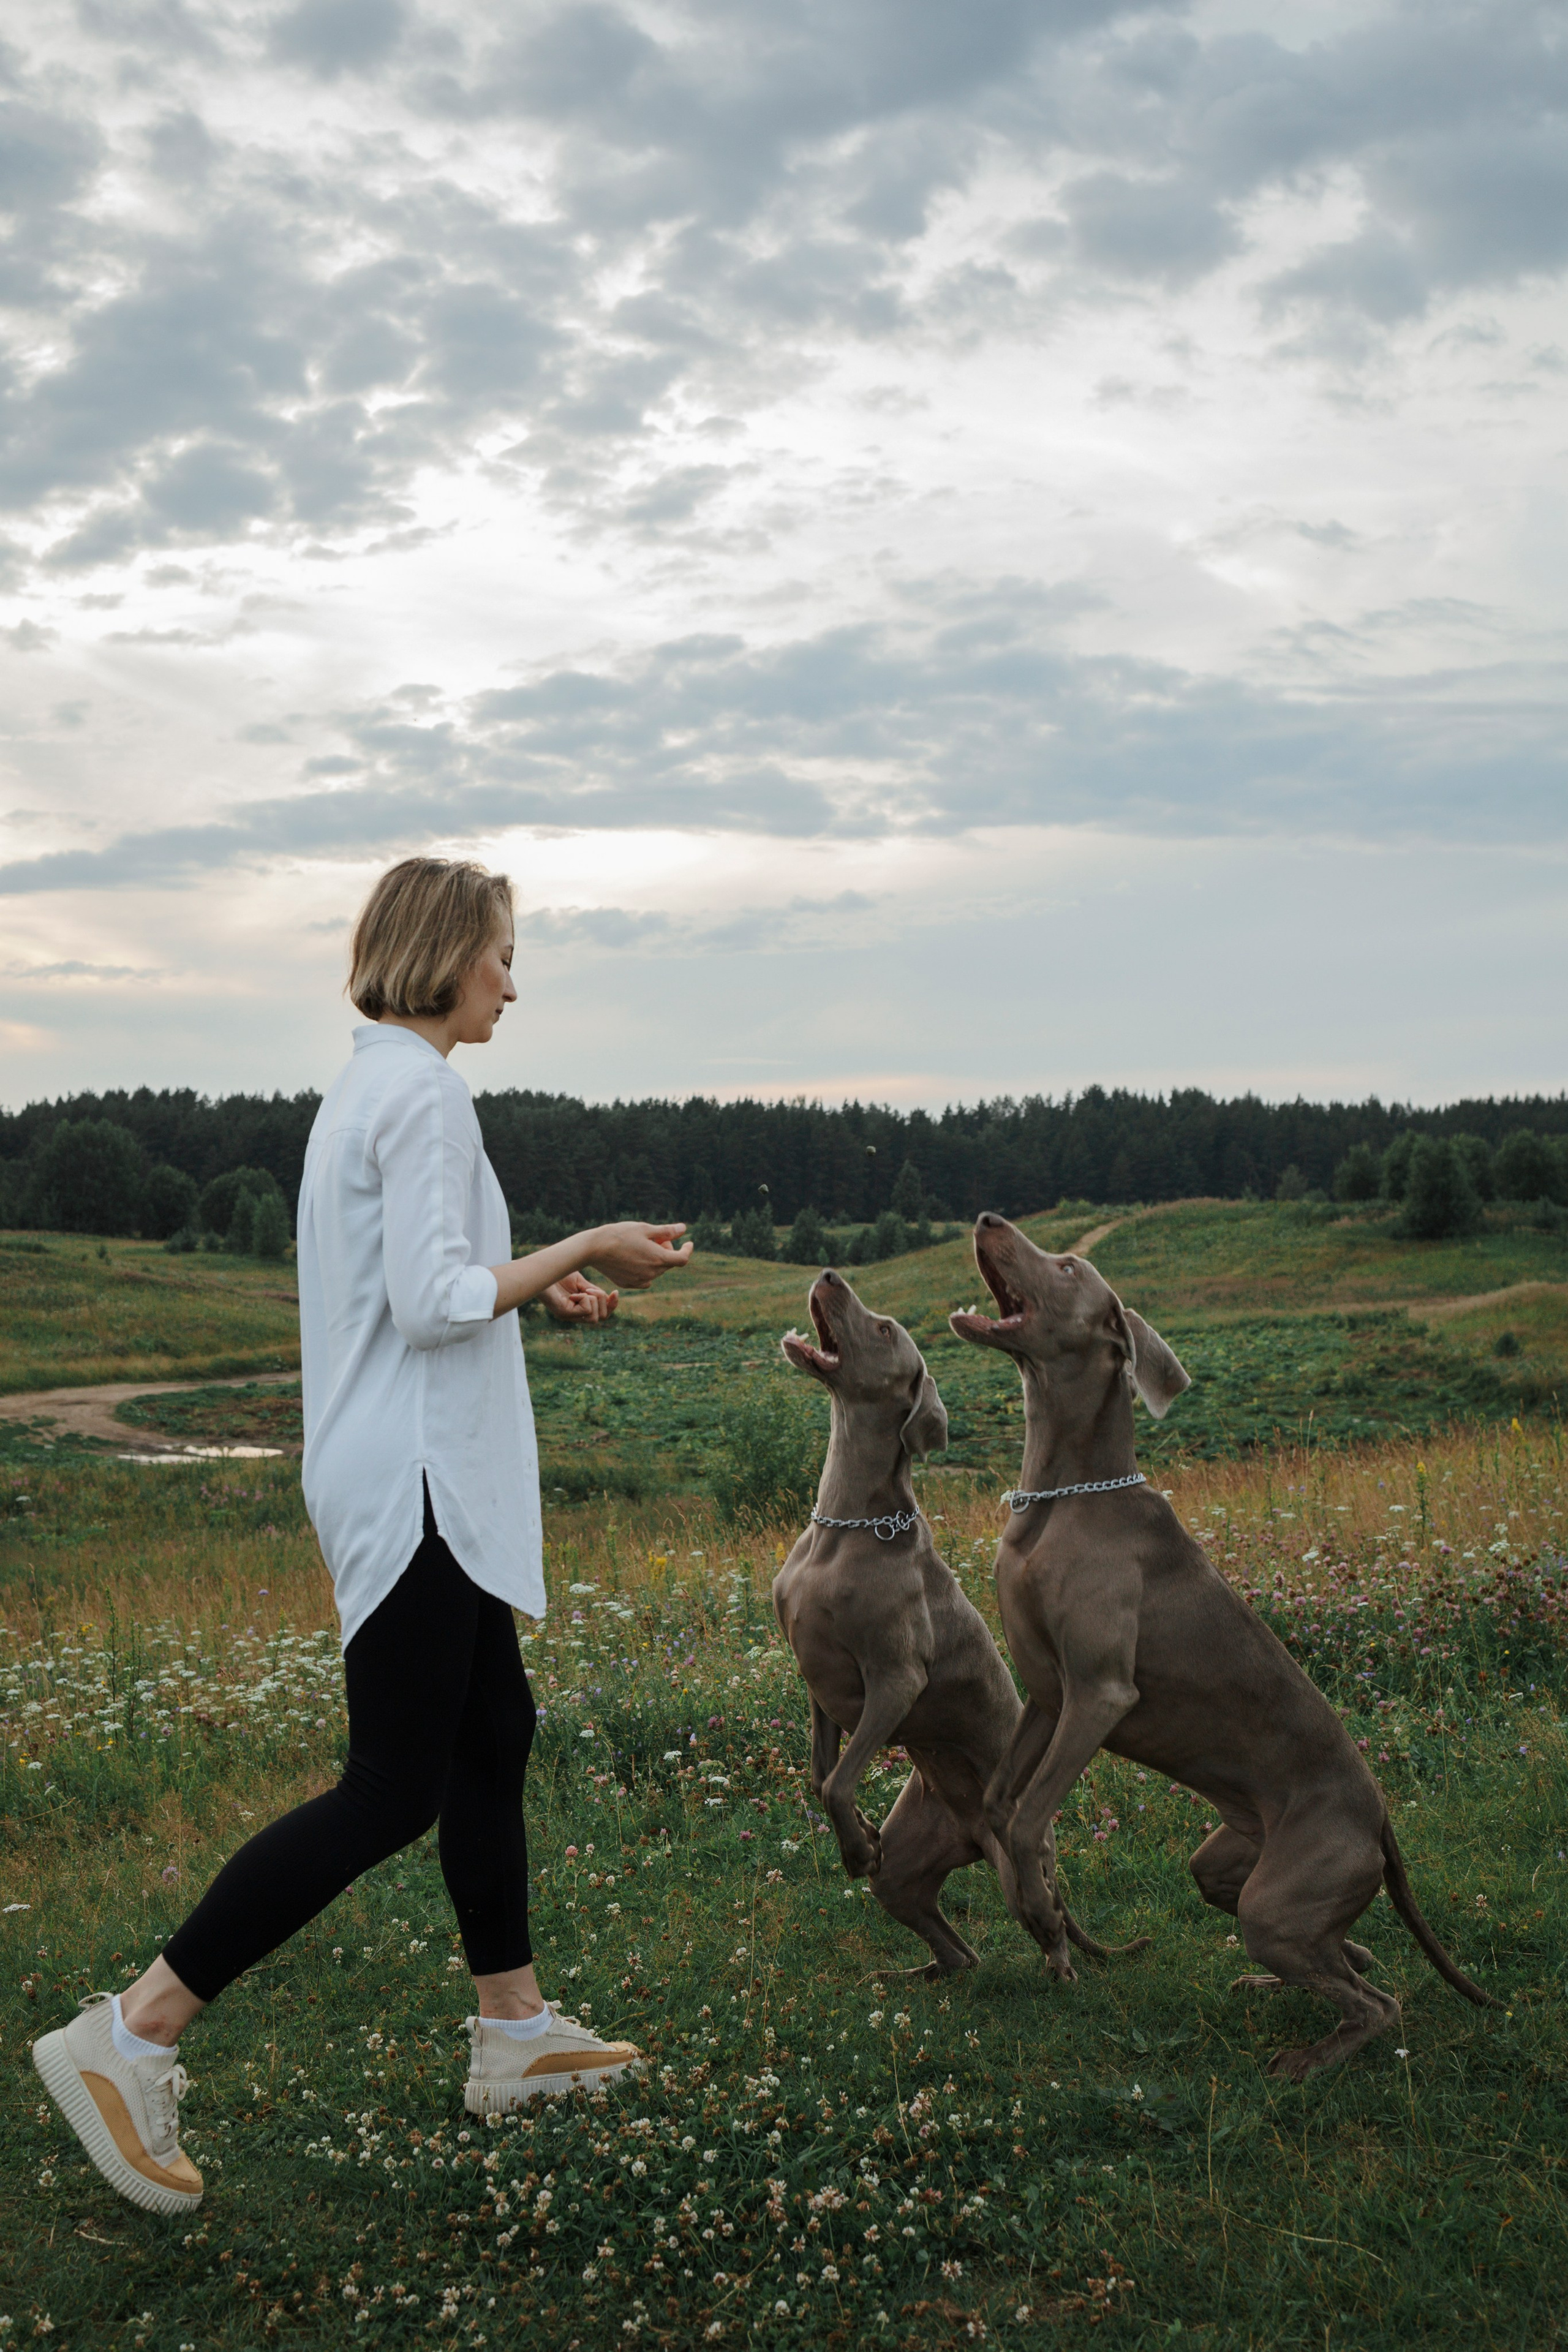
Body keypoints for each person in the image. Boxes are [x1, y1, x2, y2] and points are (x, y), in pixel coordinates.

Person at [31, 855, 693, 2215]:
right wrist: (582, 1248)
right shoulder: (427, 1095)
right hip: (421, 1480)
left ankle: (514, 2030)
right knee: (394, 1785)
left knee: (491, 1732)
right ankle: (132, 2033)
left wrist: (535, 1290)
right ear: (445, 954)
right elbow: (435, 1303)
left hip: (398, 1465)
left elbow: (429, 1283)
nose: (511, 983)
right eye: (501, 954)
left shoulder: (371, 1088)